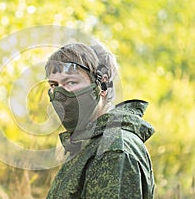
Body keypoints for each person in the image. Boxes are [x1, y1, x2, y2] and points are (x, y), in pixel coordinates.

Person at [45, 42, 155, 198]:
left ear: (103, 86)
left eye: (71, 82)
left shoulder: (113, 150)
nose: (60, 93)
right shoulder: (89, 145)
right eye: (54, 85)